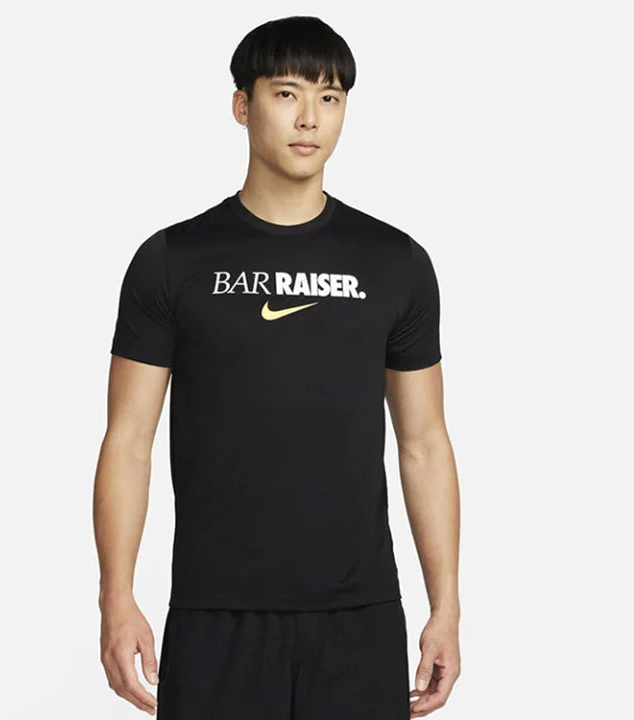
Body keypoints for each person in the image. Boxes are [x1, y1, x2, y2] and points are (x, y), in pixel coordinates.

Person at [94, 15, 461, 719]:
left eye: (330, 98)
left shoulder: (395, 262)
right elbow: (128, 440)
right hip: (215, 614)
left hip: (358, 617)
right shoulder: (172, 260)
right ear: (242, 104)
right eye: (287, 93)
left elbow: (424, 443)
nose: (309, 118)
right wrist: (116, 597)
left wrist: (446, 608)